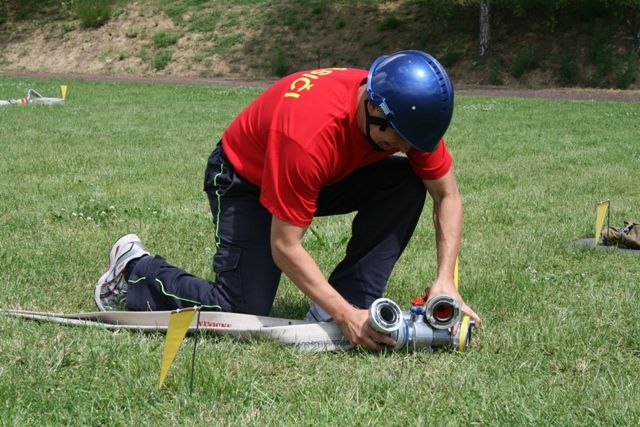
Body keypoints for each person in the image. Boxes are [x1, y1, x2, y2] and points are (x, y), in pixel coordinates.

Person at [94, 50, 481, 351]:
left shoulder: (407, 113)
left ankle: (348, 302)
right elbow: (284, 245)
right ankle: (133, 267)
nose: (406, 149)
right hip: (244, 178)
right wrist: (344, 315)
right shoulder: (309, 135)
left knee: (407, 181)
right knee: (239, 310)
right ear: (374, 109)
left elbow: (447, 195)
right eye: (398, 142)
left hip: (323, 174)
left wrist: (445, 280)